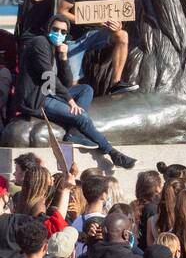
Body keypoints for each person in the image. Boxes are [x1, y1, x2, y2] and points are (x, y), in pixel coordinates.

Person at [14, 15, 136, 168]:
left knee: (86, 89)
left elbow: (66, 82)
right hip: (38, 98)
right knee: (81, 117)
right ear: (48, 29)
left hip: (50, 92)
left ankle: (72, 133)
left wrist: (63, 57)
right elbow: (48, 76)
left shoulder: (56, 48)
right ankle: (112, 153)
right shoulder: (40, 43)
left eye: (63, 32)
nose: (59, 33)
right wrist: (70, 100)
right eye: (55, 29)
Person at [58, 0, 136, 94]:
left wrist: (117, 26)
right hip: (75, 38)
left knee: (122, 35)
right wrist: (91, 21)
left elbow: (117, 18)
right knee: (72, 82)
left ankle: (116, 82)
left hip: (96, 34)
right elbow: (62, 12)